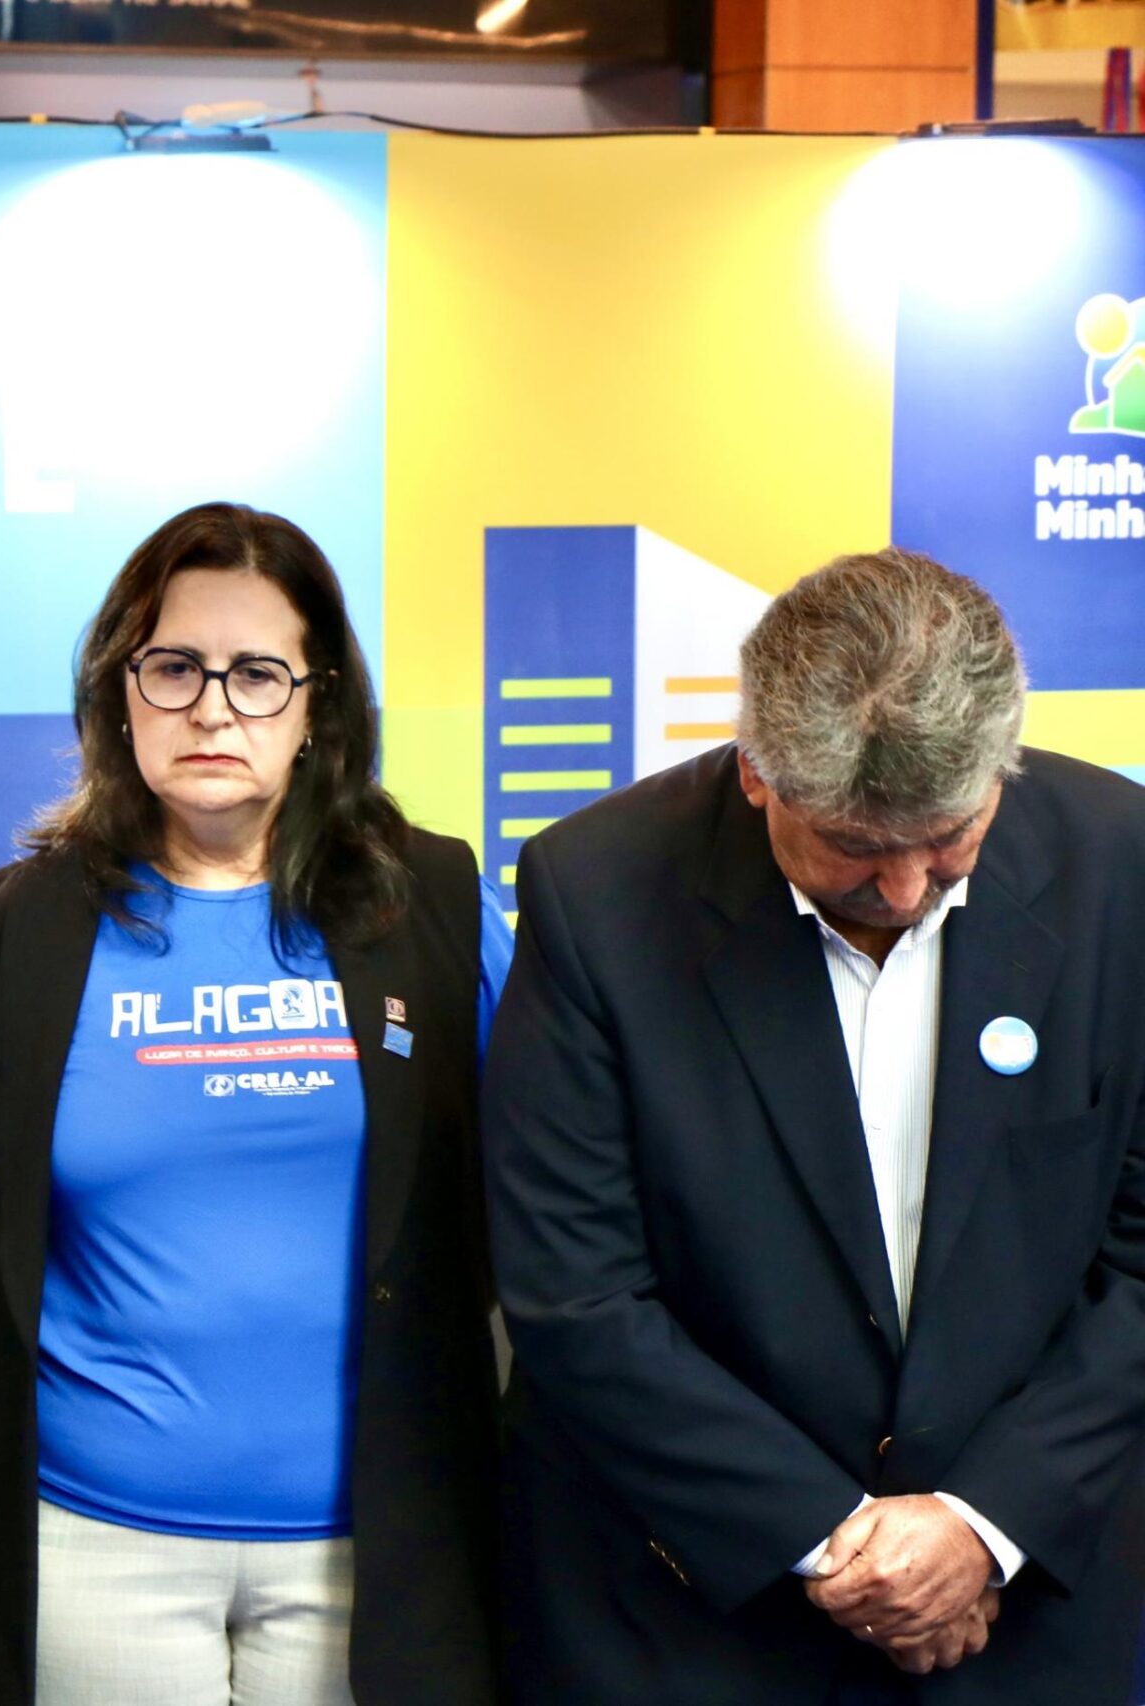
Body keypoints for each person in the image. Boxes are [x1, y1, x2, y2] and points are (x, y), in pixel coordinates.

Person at [484, 547, 1145, 1704]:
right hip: (687, 1618)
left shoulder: (1122, 867)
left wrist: (980, 1524)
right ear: (755, 770)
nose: (905, 892)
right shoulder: (595, 892)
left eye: (949, 837)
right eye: (855, 847)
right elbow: (574, 1290)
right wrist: (839, 1544)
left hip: (1025, 1613)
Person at [0, 501, 512, 1706]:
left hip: (380, 1536)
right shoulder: (11, 936)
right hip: (91, 1544)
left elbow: (539, 1197)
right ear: (117, 691)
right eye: (173, 667)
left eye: (257, 674)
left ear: (319, 704)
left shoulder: (435, 905)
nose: (212, 708)